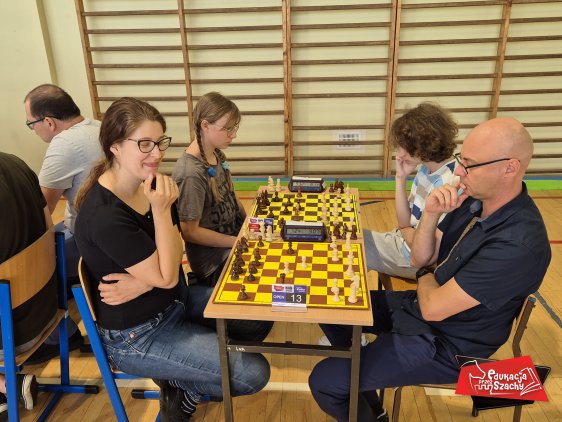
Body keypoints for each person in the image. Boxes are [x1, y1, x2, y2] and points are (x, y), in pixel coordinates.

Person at [308, 117, 551, 422]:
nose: (458, 172)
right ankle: (368, 395)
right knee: (332, 307)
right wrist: (432, 214)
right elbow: (419, 258)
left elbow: (434, 306)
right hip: (418, 311)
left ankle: (357, 380)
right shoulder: (471, 201)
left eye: (469, 165)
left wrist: (426, 273)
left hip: (446, 345)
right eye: (462, 160)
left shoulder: (518, 244)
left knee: (325, 381)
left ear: (510, 168)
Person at [74, 97, 271, 420]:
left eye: (160, 142)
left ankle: (191, 373)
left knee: (259, 315)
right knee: (254, 373)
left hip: (174, 299)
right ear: (115, 147)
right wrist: (161, 213)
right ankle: (181, 384)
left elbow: (174, 251)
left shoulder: (148, 184)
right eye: (144, 144)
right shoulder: (105, 215)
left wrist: (145, 281)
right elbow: (167, 272)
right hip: (138, 335)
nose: (157, 154)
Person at [23, 84, 100, 362]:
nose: (33, 131)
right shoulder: (98, 127)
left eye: (31, 124)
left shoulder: (64, 144)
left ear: (49, 122)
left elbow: (40, 210)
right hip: (106, 231)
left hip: (89, 239)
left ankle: (61, 336)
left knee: (26, 266)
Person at [364, 102, 458, 280]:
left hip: (413, 261)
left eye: (404, 147)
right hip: (403, 243)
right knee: (352, 239)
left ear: (423, 144)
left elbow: (425, 255)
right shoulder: (426, 168)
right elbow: (405, 222)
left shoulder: (451, 183)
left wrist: (405, 229)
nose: (399, 154)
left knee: (351, 247)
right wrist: (400, 178)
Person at [0, 152, 58, 418]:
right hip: (46, 311)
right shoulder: (17, 163)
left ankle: (6, 385)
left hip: (11, 335)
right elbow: (49, 229)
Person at [172, 91, 247, 287]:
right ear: (205, 125)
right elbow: (189, 232)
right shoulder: (190, 172)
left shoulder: (218, 154)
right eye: (227, 128)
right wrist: (235, 241)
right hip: (214, 263)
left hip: (233, 240)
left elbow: (231, 195)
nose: (234, 135)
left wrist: (249, 224)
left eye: (234, 128)